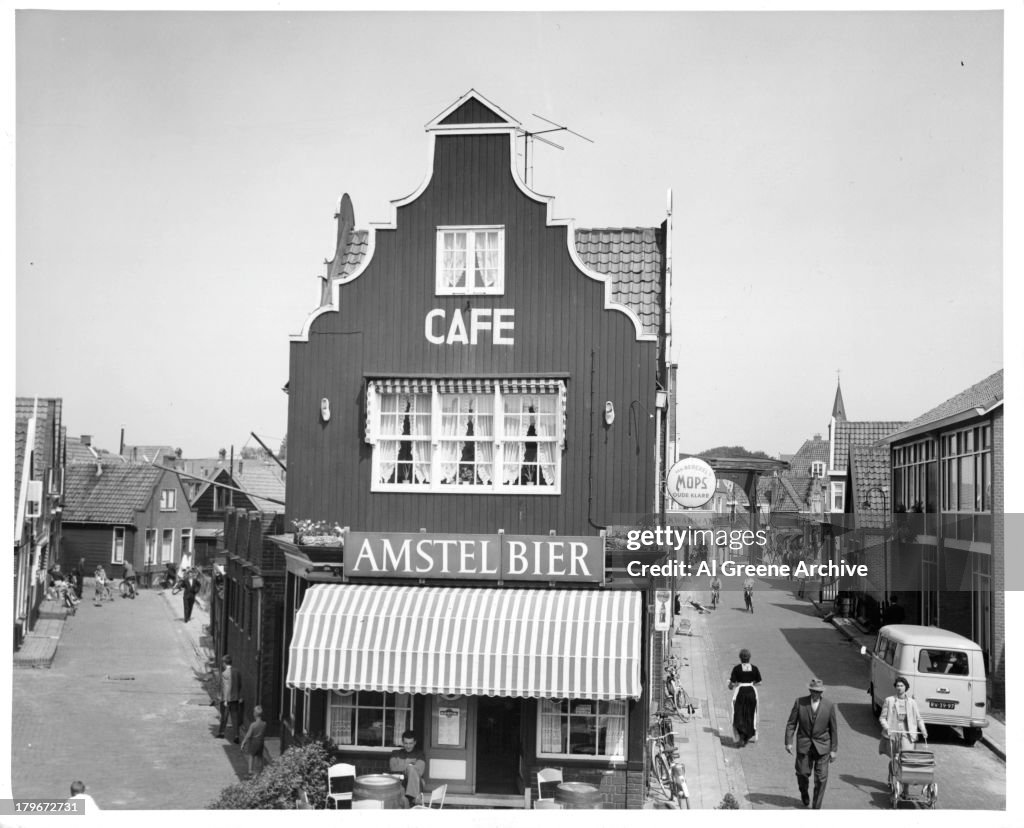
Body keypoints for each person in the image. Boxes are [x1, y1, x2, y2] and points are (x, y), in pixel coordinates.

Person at [785, 678, 839, 809]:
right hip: (804, 746)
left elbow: (833, 729)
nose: (816, 694)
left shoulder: (829, 706)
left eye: (819, 692)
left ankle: (816, 807)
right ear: (810, 691)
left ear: (822, 692)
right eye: (814, 691)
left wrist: (833, 750)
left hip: (823, 747)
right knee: (802, 774)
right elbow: (791, 723)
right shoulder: (800, 702)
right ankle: (804, 793)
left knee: (821, 779)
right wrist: (788, 742)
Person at [879, 676, 927, 756]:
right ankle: (894, 763)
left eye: (901, 686)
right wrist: (887, 728)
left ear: (906, 687)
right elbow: (882, 718)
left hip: (907, 732)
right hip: (893, 732)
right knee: (894, 755)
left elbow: (918, 719)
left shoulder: (912, 702)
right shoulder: (889, 700)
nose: (899, 688)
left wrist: (923, 730)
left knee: (906, 754)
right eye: (897, 686)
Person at [728, 648, 762, 746]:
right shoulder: (754, 668)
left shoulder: (737, 668)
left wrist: (731, 686)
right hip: (751, 693)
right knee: (750, 714)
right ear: (749, 658)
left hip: (741, 692)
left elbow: (732, 683)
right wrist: (751, 683)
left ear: (740, 658)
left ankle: (741, 735)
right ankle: (748, 735)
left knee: (738, 713)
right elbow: (759, 682)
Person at [389, 729, 427, 807]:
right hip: (400, 782)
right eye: (406, 743)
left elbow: (420, 770)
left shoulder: (420, 754)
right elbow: (393, 768)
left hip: (416, 783)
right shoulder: (395, 753)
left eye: (410, 743)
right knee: (411, 768)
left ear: (415, 742)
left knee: (412, 769)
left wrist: (405, 767)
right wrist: (409, 765)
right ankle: (415, 799)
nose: (408, 746)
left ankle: (412, 798)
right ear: (402, 742)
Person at [216, 654, 242, 742]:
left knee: (224, 716)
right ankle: (237, 735)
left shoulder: (224, 674)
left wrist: (225, 700)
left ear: (224, 663)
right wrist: (238, 695)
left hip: (227, 699)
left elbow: (226, 688)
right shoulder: (237, 672)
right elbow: (240, 684)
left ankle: (221, 733)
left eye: (222, 662)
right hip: (235, 698)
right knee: (235, 717)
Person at [240, 705, 268, 777]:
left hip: (253, 742)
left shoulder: (253, 725)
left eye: (253, 712)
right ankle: (260, 771)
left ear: (255, 714)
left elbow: (248, 735)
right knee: (260, 756)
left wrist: (243, 742)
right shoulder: (264, 724)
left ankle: (250, 771)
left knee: (251, 756)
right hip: (261, 742)